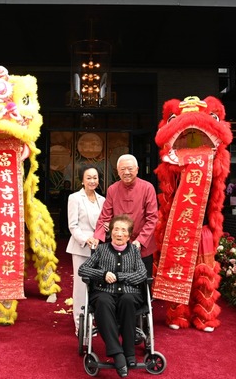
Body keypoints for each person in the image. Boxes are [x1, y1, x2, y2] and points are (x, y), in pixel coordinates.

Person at [79, 214, 147, 378]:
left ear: (129, 235)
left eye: (123, 230)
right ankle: (118, 354)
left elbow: (142, 274)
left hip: (129, 293)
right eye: (116, 229)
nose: (119, 233)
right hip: (104, 292)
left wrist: (119, 277)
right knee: (103, 301)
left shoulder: (134, 251)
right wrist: (103, 275)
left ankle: (129, 352)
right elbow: (83, 269)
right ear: (111, 232)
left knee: (128, 300)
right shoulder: (101, 250)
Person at [93, 154, 158, 278]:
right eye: (122, 169)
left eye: (130, 169)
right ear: (117, 171)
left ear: (137, 169)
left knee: (143, 281)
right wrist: (97, 237)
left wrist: (140, 240)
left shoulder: (147, 188)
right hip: (118, 245)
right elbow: (105, 217)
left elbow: (152, 218)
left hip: (142, 245)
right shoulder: (112, 189)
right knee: (119, 281)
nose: (126, 172)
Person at [65, 166, 106, 335]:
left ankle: (94, 319)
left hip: (99, 247)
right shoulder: (75, 198)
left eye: (95, 177)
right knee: (81, 286)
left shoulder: (102, 200)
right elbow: (72, 225)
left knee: (97, 285)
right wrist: (85, 239)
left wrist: (102, 234)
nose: (92, 181)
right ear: (82, 180)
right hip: (81, 247)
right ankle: (80, 324)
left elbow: (104, 222)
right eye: (88, 178)